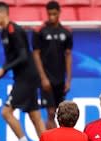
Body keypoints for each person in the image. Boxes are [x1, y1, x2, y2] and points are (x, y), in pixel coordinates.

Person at [0, 2, 45, 141]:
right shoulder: (4, 33)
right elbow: (10, 59)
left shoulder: (15, 30)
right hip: (24, 77)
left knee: (6, 112)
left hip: (27, 77)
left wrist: (2, 69)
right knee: (35, 116)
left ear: (3, 14)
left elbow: (22, 57)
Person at [32, 0, 73, 130]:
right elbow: (36, 55)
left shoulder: (66, 32)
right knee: (50, 112)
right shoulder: (39, 31)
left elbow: (68, 55)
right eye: (49, 14)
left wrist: (68, 79)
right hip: (46, 78)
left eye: (54, 14)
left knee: (60, 113)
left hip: (60, 78)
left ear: (59, 13)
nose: (52, 17)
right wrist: (43, 78)